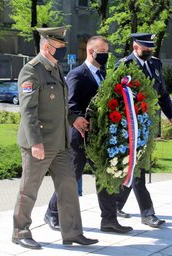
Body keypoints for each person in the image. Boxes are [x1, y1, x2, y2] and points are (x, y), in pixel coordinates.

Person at [12, 26, 98, 250]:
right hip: (39, 142)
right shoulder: (32, 71)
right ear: (47, 46)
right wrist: (35, 142)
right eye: (59, 47)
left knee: (69, 186)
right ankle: (20, 231)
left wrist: (74, 119)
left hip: (60, 143)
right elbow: (28, 111)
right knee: (29, 189)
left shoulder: (56, 68)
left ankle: (73, 233)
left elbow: (59, 106)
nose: (62, 50)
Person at [44, 35, 133, 234]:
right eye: (103, 52)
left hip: (100, 139)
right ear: (91, 52)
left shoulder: (104, 75)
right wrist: (78, 119)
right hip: (80, 138)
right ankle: (52, 213)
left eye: (108, 52)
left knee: (105, 176)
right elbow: (70, 105)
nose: (106, 56)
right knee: (70, 178)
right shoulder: (77, 74)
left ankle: (109, 220)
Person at [114, 33, 172, 228]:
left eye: (151, 49)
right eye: (146, 49)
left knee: (134, 166)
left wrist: (171, 115)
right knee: (138, 167)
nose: (150, 52)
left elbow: (163, 94)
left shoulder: (155, 65)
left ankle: (116, 204)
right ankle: (147, 213)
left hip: (148, 124)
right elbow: (116, 96)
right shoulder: (124, 65)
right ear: (135, 47)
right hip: (130, 127)